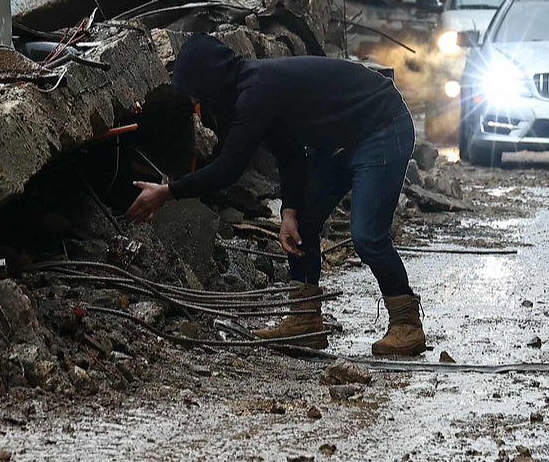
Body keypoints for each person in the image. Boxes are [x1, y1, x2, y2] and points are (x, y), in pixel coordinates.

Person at [124, 35, 426, 355]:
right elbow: (291, 155)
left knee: (367, 234)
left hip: (383, 125)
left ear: (211, 82)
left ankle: (406, 324)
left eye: (198, 96)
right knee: (302, 225)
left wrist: (167, 192)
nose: (199, 107)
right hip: (339, 142)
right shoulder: (253, 91)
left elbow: (228, 169)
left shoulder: (256, 92)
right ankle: (305, 319)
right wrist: (289, 212)